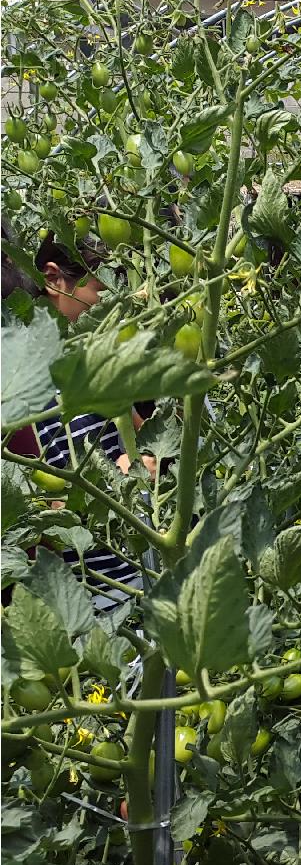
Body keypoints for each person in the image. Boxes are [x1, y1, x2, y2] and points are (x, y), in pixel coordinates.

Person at [27, 235, 142, 604]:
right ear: (53, 279)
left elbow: (143, 435)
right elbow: (34, 509)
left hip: (140, 574)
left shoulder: (97, 353)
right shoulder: (20, 377)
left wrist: (149, 460)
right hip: (87, 596)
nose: (114, 303)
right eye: (102, 290)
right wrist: (111, 490)